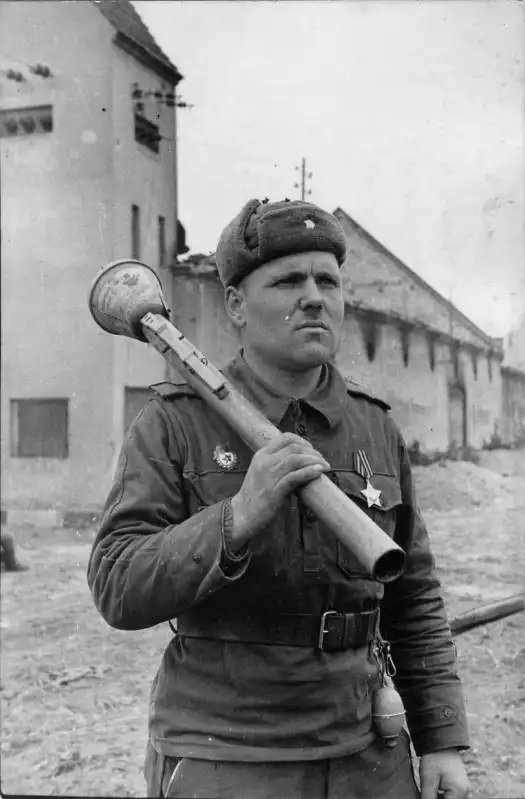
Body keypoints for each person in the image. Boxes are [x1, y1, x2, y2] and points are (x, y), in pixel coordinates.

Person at [87, 199, 470, 799]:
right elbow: (116, 585)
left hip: (367, 752)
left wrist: (441, 738)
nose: (315, 297)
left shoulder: (376, 428)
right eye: (289, 281)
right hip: (227, 755)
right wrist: (237, 517)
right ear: (236, 305)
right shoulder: (172, 425)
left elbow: (414, 596)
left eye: (328, 281)